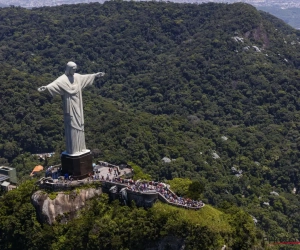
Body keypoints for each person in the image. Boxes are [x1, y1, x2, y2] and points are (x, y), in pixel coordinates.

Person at [38, 62, 105, 155]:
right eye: (73, 69)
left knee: (80, 124)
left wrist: (96, 75)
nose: (75, 71)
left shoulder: (77, 77)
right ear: (69, 69)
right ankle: (73, 149)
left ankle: (81, 147)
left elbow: (86, 77)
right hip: (69, 105)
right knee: (72, 125)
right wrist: (46, 87)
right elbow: (54, 84)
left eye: (75, 69)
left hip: (78, 104)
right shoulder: (62, 79)